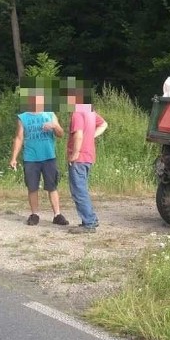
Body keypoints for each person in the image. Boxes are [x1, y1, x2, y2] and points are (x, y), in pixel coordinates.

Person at [9, 83, 69, 226]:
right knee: (32, 187)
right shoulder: (22, 117)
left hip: (49, 156)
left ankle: (57, 215)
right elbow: (19, 138)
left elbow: (61, 134)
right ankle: (35, 214)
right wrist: (13, 158)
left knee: (52, 186)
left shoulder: (49, 114)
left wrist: (54, 126)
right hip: (31, 158)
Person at [64, 82, 107, 233]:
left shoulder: (77, 113)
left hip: (80, 158)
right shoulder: (90, 111)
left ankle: (89, 223)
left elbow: (79, 135)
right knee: (82, 189)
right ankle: (91, 220)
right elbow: (104, 125)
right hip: (88, 156)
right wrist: (92, 136)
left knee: (79, 191)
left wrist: (74, 154)